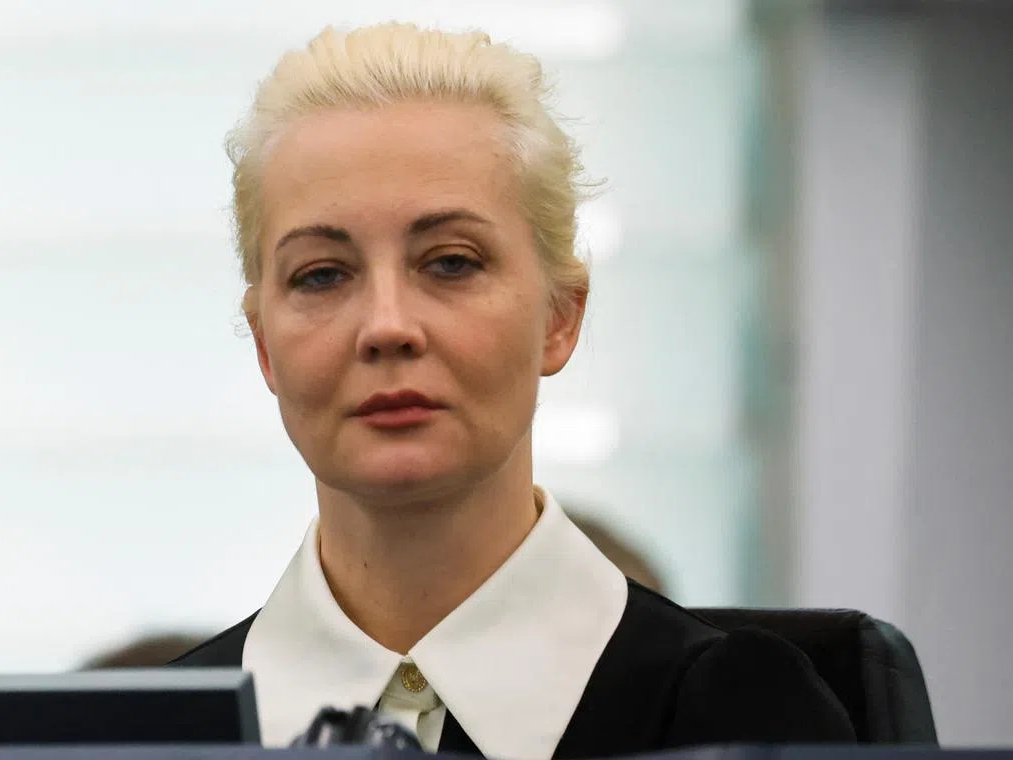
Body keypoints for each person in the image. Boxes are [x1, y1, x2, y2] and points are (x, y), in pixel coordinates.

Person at [171, 22, 855, 758]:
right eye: (323, 275)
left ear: (560, 318)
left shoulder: (737, 715)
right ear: (267, 346)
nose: (387, 327)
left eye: (451, 263)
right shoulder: (154, 737)